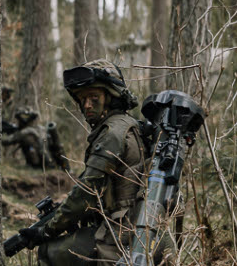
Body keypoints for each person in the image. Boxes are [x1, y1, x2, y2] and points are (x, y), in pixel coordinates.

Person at [19, 59, 156, 265]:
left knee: (49, 252)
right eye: (82, 99)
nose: (87, 105)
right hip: (134, 227)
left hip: (120, 234)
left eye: (94, 97)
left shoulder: (113, 133)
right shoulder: (129, 125)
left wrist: (46, 231)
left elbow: (86, 192)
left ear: (111, 96)